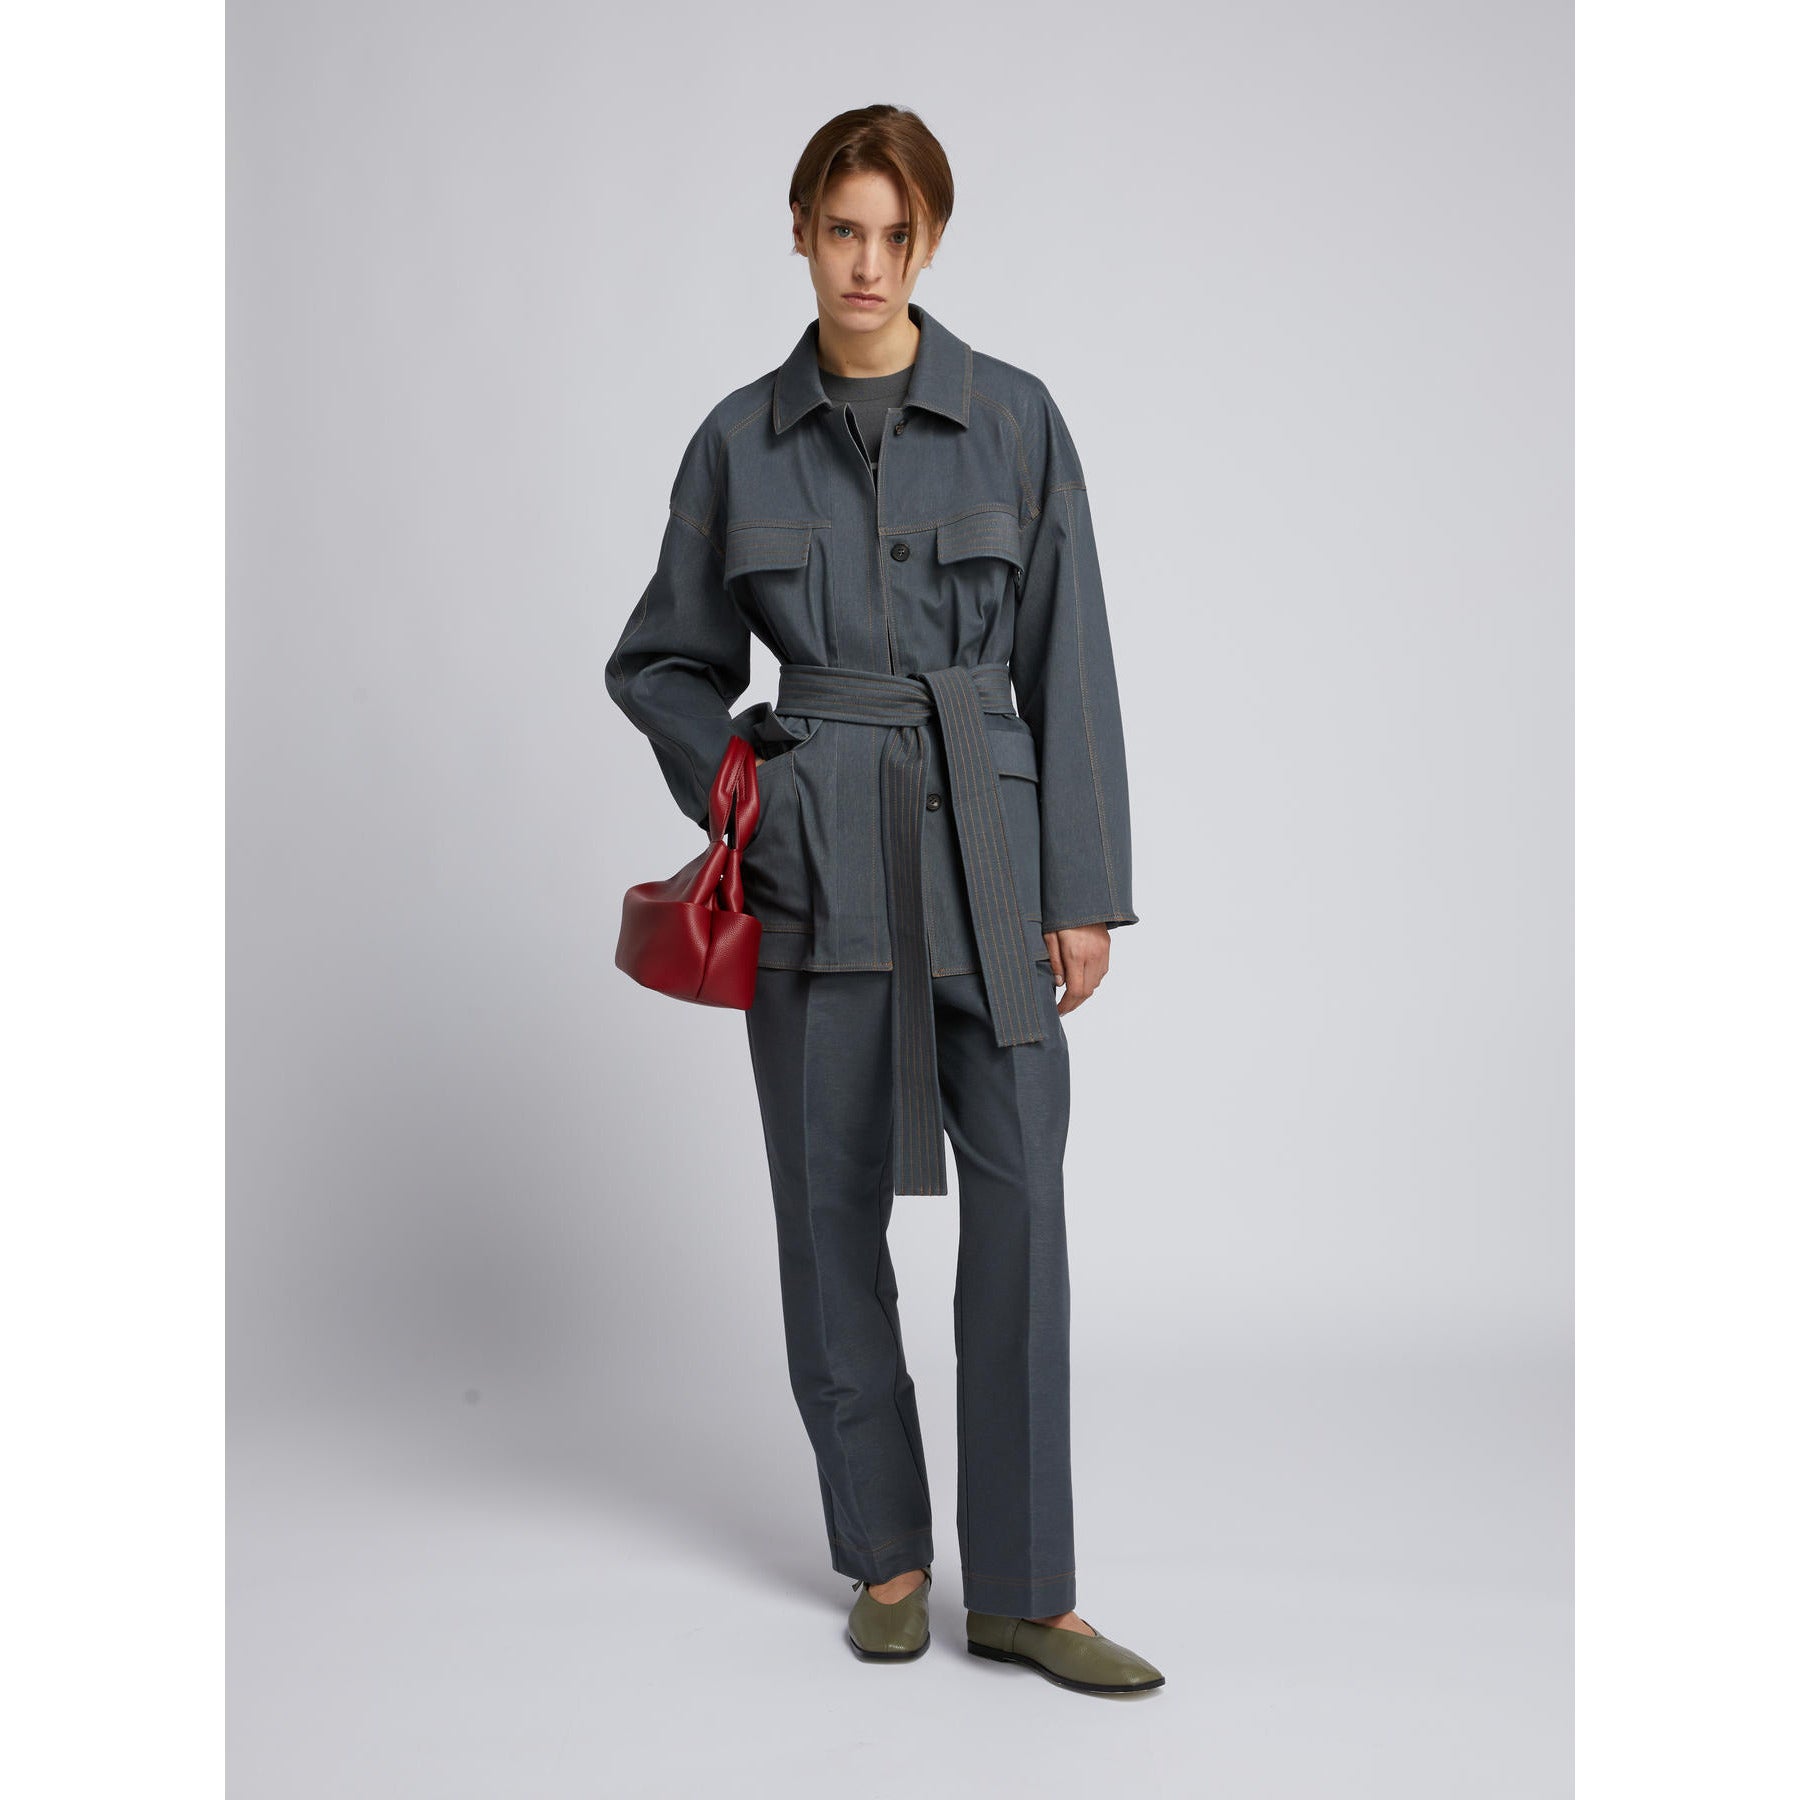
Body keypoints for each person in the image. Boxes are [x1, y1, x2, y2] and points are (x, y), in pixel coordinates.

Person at [606, 104, 1162, 1697]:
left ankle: (1031, 1593)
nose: (867, 263)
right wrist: (749, 788)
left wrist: (1080, 890)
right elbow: (660, 661)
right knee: (828, 1214)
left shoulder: (1015, 420)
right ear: (801, 234)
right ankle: (890, 1561)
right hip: (819, 867)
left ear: (929, 242)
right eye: (841, 230)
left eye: (894, 234)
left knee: (1025, 1210)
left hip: (990, 854)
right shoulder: (738, 441)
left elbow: (1070, 652)